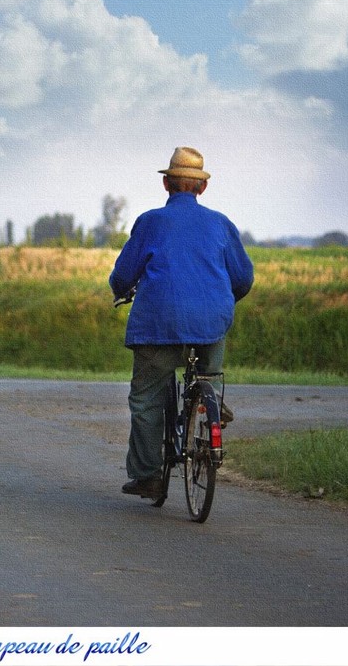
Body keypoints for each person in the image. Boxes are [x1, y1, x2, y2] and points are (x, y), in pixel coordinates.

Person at [109, 146, 254, 499]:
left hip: (159, 321)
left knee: (146, 399)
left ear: (167, 185)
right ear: (202, 189)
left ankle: (148, 475)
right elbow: (243, 278)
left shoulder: (151, 222)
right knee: (208, 375)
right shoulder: (221, 224)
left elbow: (124, 274)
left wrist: (122, 290)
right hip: (211, 321)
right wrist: (218, 299)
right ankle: (212, 405)